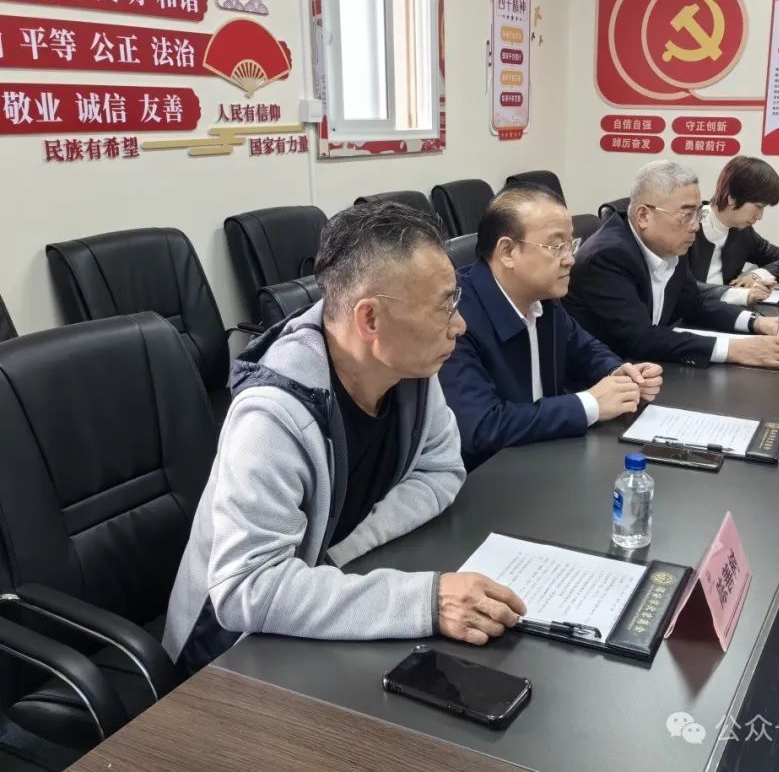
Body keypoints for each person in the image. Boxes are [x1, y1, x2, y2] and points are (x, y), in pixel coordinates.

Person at [163, 202, 526, 675]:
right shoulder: (272, 417)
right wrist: (425, 601)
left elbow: (441, 469)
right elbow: (244, 591)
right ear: (370, 319)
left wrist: (339, 555)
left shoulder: (409, 370)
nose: (459, 325)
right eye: (444, 306)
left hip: (327, 599)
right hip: (226, 655)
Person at [441, 184, 663, 470]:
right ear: (507, 251)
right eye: (556, 246)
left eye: (571, 244)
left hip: (546, 455)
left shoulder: (543, 298)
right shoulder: (455, 317)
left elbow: (585, 350)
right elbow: (482, 426)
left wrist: (618, 372)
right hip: (490, 476)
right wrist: (590, 404)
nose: (570, 259)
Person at [564, 160, 779, 370]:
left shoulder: (670, 244)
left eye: (698, 214)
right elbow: (640, 338)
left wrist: (756, 322)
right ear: (643, 216)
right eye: (686, 214)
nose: (695, 226)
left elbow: (694, 303)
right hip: (606, 378)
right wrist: (735, 349)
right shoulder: (608, 256)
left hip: (648, 369)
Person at [688, 155, 779, 305]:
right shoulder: (688, 228)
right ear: (732, 198)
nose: (760, 216)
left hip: (723, 312)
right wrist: (741, 295)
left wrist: (756, 275)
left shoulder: (742, 232)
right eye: (758, 206)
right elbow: (683, 287)